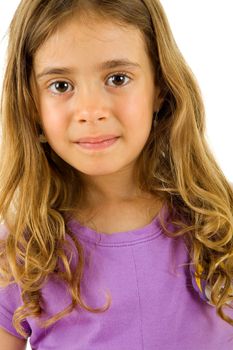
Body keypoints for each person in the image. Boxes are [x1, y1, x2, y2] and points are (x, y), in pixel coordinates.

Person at [0, 0, 233, 349]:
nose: (91, 111)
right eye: (61, 86)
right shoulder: (21, 255)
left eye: (117, 78)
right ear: (31, 104)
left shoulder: (219, 224)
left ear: (160, 87)